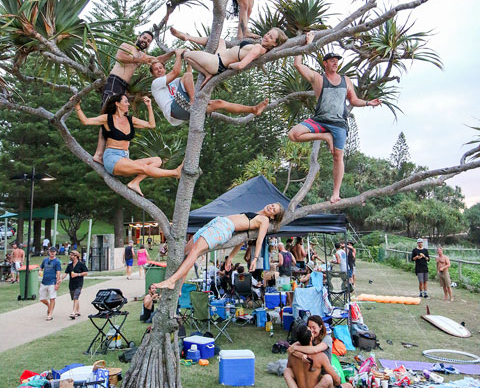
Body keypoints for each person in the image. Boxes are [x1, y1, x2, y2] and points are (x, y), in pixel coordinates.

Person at [288, 32, 382, 203]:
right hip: (320, 121)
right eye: (331, 60)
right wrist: (306, 44)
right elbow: (297, 64)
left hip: (338, 124)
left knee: (338, 156)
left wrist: (369, 103)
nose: (335, 63)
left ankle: (336, 193)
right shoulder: (318, 78)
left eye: (337, 61)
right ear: (325, 63)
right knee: (293, 134)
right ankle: (325, 136)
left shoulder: (346, 80)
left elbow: (353, 100)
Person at [154, 203, 285, 290]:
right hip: (217, 222)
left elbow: (260, 239)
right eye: (272, 205)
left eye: (274, 210)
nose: (271, 208)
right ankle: (179, 287)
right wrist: (230, 258)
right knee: (186, 253)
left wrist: (255, 258)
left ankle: (171, 281)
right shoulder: (257, 214)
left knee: (194, 251)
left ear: (273, 216)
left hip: (223, 228)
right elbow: (242, 238)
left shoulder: (264, 220)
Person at [72, 93, 183, 196]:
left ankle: (135, 183)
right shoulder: (107, 118)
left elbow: (151, 125)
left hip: (125, 157)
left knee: (157, 160)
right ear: (117, 104)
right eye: (125, 101)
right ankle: (175, 173)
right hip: (112, 158)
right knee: (144, 168)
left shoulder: (130, 120)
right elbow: (86, 121)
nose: (128, 104)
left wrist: (149, 106)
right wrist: (77, 106)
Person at [92, 30, 173, 163]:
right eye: (144, 38)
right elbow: (121, 57)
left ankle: (114, 154)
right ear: (138, 37)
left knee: (119, 120)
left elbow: (159, 60)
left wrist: (173, 53)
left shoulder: (142, 55)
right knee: (108, 118)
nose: (145, 41)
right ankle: (99, 154)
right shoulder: (127, 45)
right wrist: (141, 59)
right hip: (114, 81)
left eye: (148, 41)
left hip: (123, 87)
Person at [150, 45, 269, 126]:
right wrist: (178, 54)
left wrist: (188, 60)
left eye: (160, 68)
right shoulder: (156, 84)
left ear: (164, 69)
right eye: (156, 69)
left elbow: (188, 76)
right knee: (185, 77)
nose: (159, 70)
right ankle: (193, 100)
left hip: (183, 112)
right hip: (174, 110)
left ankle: (253, 109)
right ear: (153, 74)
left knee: (219, 103)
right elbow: (177, 72)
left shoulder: (174, 82)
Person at [171, 27, 288, 86]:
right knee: (219, 41)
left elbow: (242, 65)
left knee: (185, 54)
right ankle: (187, 37)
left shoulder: (258, 48)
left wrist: (230, 65)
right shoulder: (260, 47)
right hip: (219, 57)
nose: (267, 36)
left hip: (217, 62)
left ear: (275, 44)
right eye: (268, 33)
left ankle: (187, 38)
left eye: (271, 37)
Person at [284, 324, 353, 388]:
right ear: (311, 338)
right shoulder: (320, 356)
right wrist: (331, 385)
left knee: (287, 371)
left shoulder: (292, 355)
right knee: (343, 384)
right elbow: (337, 380)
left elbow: (290, 370)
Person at [61, 249, 88, 319]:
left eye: (72, 255)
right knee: (75, 298)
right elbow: (65, 273)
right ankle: (78, 311)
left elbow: (86, 273)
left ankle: (73, 312)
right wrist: (61, 279)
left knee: (76, 296)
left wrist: (77, 274)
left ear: (76, 256)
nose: (70, 256)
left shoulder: (81, 264)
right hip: (71, 284)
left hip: (79, 283)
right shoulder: (70, 265)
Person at [39, 246, 62, 321]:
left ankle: (50, 314)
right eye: (51, 252)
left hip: (52, 282)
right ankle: (49, 306)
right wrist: (40, 271)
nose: (52, 253)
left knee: (52, 298)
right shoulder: (45, 260)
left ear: (55, 253)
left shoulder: (57, 262)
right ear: (49, 252)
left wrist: (57, 283)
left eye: (53, 252)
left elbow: (58, 272)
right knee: (42, 298)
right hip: (44, 281)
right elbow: (41, 267)